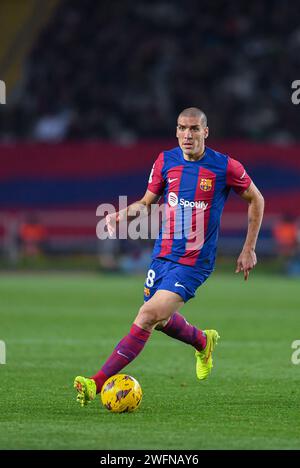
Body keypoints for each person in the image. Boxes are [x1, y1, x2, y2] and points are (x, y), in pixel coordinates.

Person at [74, 107, 264, 406]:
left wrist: (249, 247)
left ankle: (95, 383)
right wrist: (121, 215)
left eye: (193, 129)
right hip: (162, 255)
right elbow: (147, 202)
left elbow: (256, 198)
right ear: (176, 131)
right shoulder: (165, 161)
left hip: (194, 261)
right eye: (182, 128)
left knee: (148, 315)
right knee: (161, 320)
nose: (187, 135)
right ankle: (203, 341)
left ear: (205, 132)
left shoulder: (225, 167)